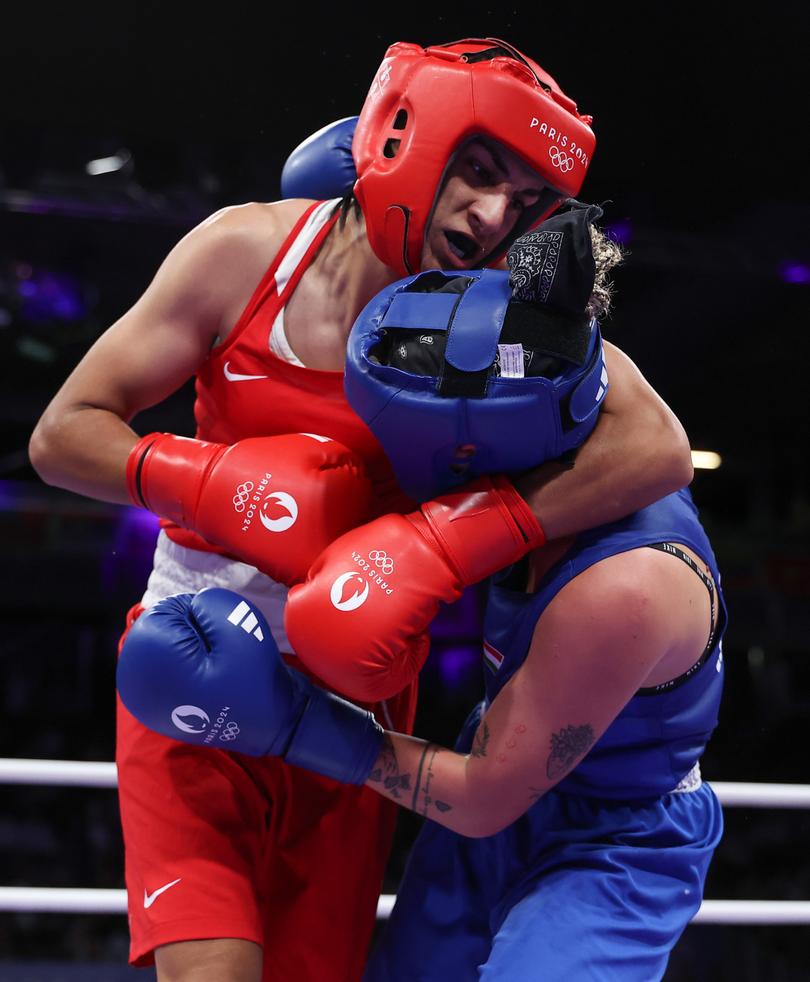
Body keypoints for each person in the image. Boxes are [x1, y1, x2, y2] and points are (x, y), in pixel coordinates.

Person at [28, 38, 693, 982]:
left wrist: (440, 543)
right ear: (403, 136)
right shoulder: (245, 250)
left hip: (355, 710)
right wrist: (210, 480)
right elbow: (63, 435)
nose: (492, 214)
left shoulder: (493, 316)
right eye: (479, 170)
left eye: (527, 200)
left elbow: (657, 446)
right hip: (196, 655)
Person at [117, 206, 724, 981]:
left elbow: (482, 798)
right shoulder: (554, 374)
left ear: (474, 443)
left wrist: (294, 720)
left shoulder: (622, 588)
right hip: (499, 760)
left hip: (608, 836)